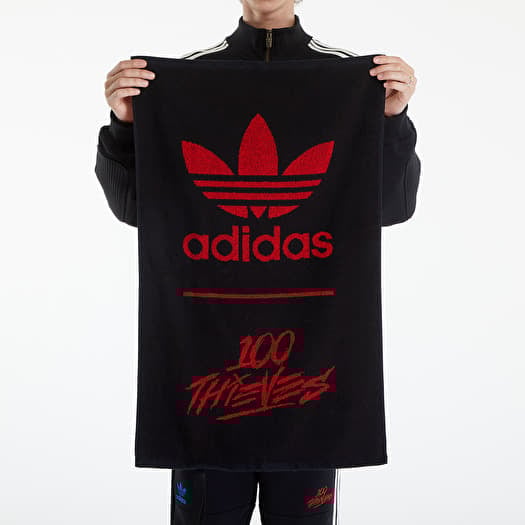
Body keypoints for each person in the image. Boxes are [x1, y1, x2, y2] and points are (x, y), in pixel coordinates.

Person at [94, 1, 420, 523]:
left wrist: (393, 122)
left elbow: (393, 206)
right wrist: (125, 126)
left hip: (312, 377)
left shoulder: (352, 80)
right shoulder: (184, 80)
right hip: (204, 375)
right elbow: (137, 210)